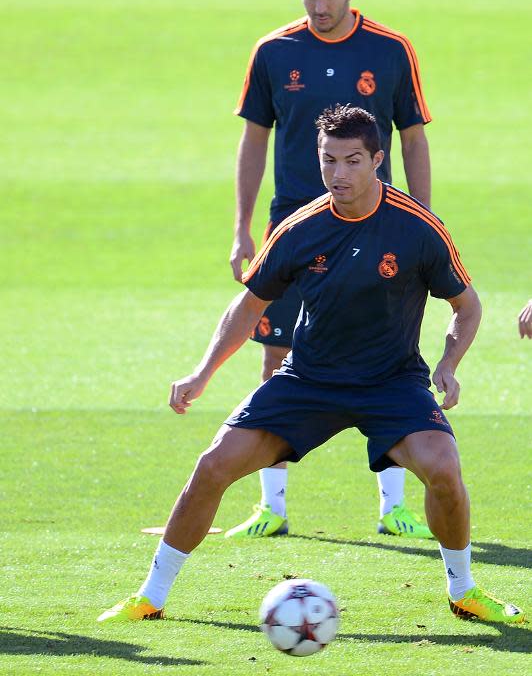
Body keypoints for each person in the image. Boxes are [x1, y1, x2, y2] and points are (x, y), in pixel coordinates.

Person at [98, 105, 523, 625]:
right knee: (212, 466)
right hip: (309, 380)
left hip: (392, 382)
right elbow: (249, 305)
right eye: (328, 161)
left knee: (444, 470)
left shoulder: (417, 227)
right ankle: (151, 596)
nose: (338, 175)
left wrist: (449, 363)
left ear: (378, 161)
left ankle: (464, 591)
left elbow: (467, 305)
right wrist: (202, 373)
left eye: (351, 161)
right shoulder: (301, 228)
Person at [228, 0, 433, 539]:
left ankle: (394, 507)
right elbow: (253, 141)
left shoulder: (390, 51)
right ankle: (272, 506)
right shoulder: (274, 51)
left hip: (377, 227)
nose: (320, 7)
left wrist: (420, 219)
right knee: (275, 354)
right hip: (294, 225)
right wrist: (242, 227)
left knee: (388, 358)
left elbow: (414, 139)